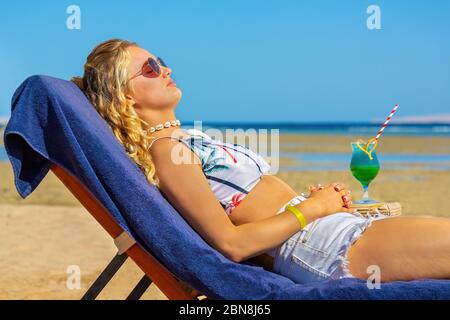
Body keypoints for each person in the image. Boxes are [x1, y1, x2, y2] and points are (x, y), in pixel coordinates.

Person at [71, 39, 450, 284]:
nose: (166, 69)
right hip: (323, 246)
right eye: (150, 68)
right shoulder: (168, 153)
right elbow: (232, 244)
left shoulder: (181, 141)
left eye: (161, 61)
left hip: (327, 231)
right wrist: (313, 210)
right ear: (126, 96)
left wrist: (310, 203)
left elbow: (250, 206)